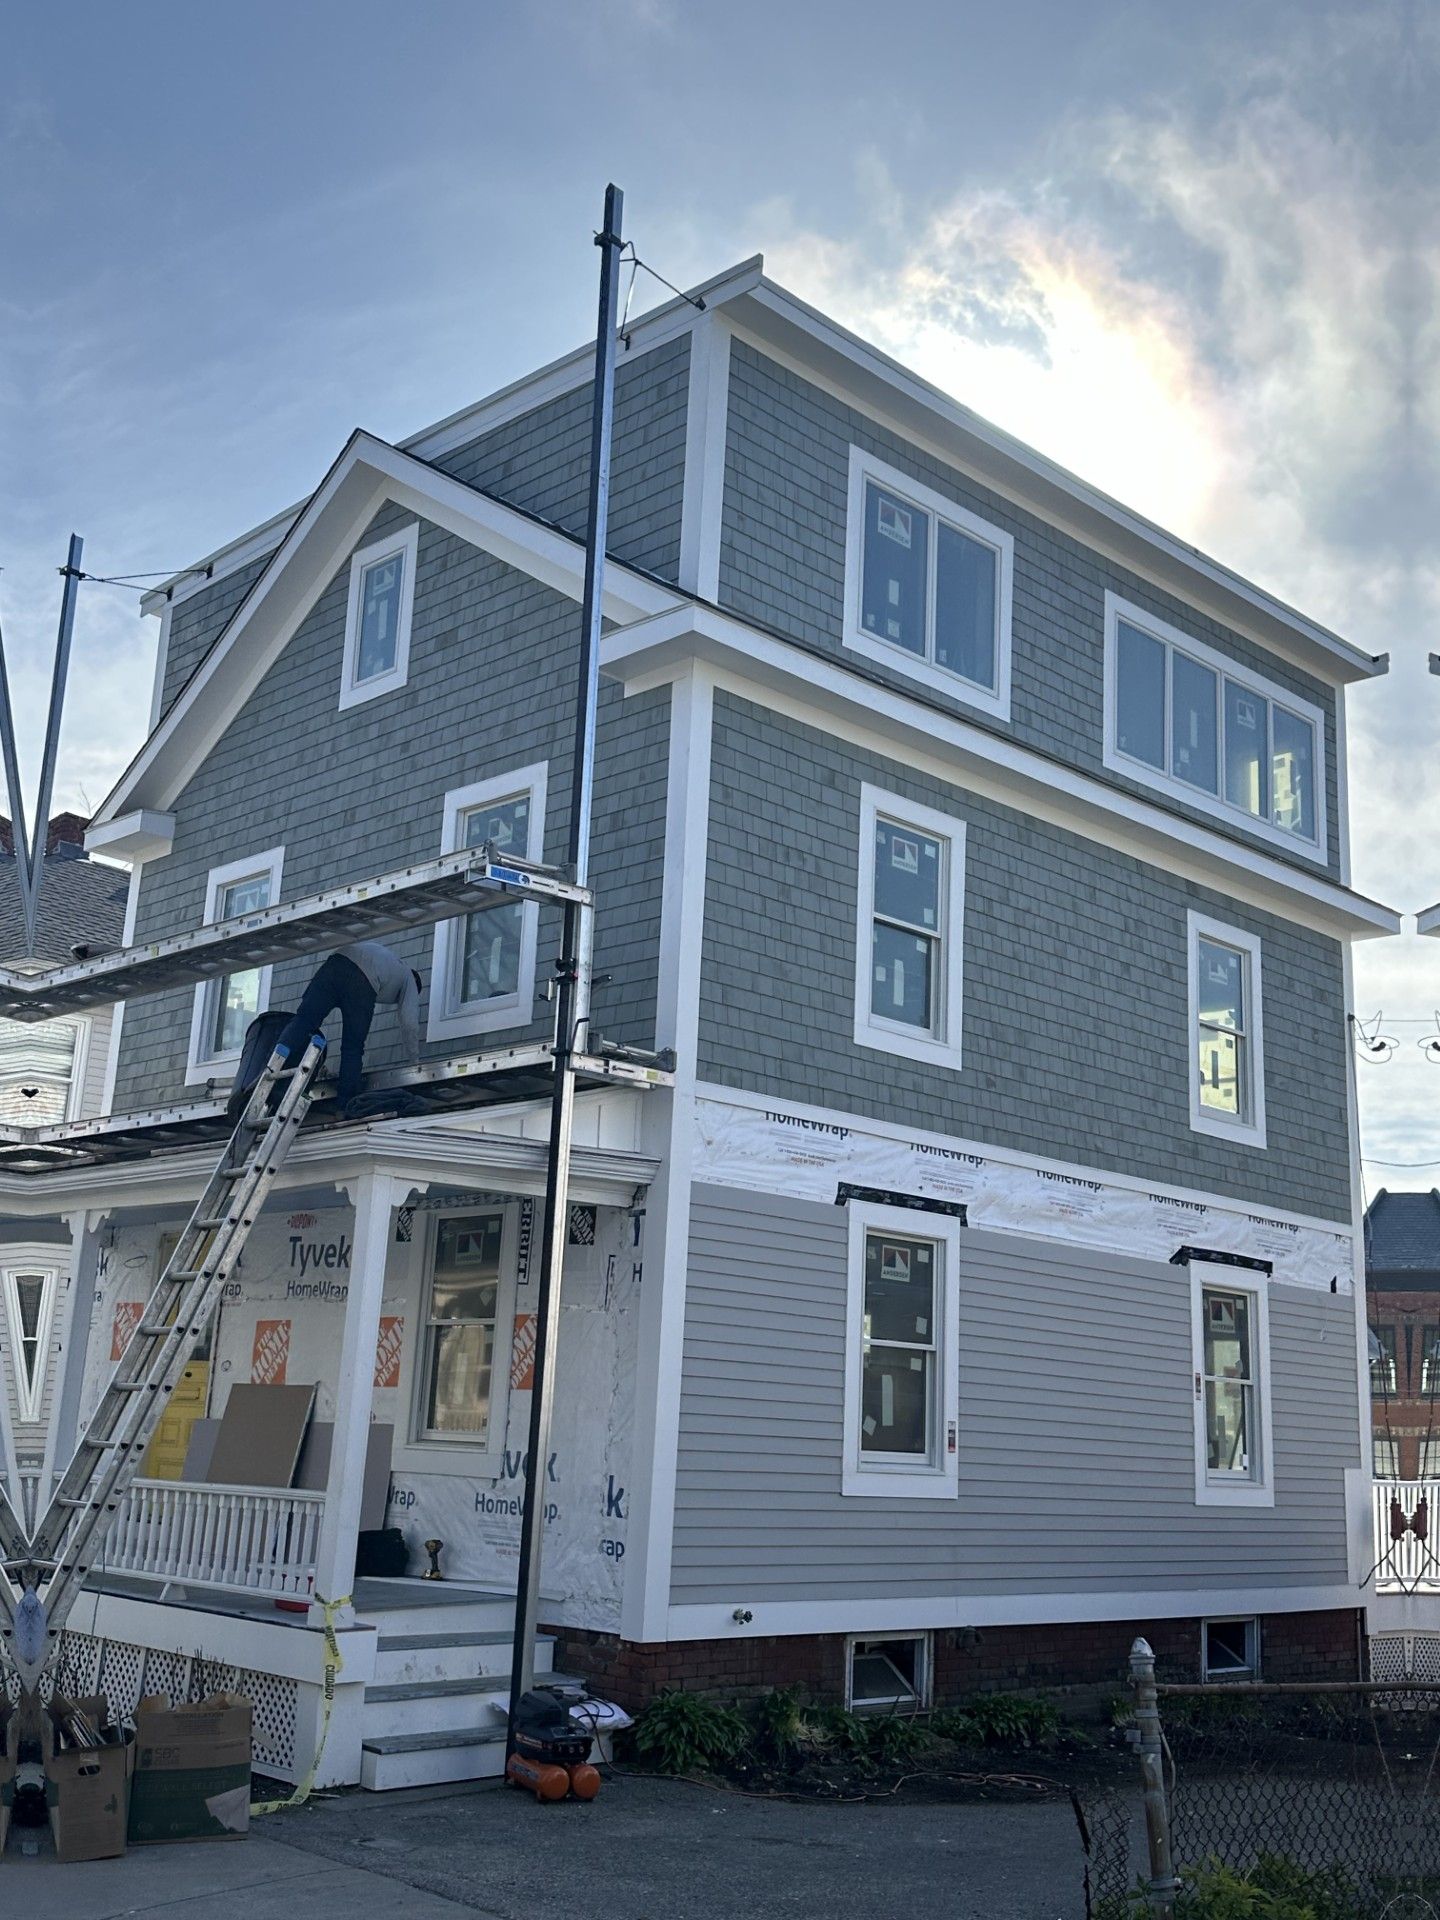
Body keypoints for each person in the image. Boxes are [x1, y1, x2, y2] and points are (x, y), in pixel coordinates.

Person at [273, 942, 422, 1110]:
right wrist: (415, 1063)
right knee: (353, 1046)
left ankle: (274, 1063)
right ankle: (346, 1103)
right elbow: (409, 1022)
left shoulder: (390, 961)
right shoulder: (409, 979)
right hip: (361, 978)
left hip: (335, 963)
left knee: (304, 1020)